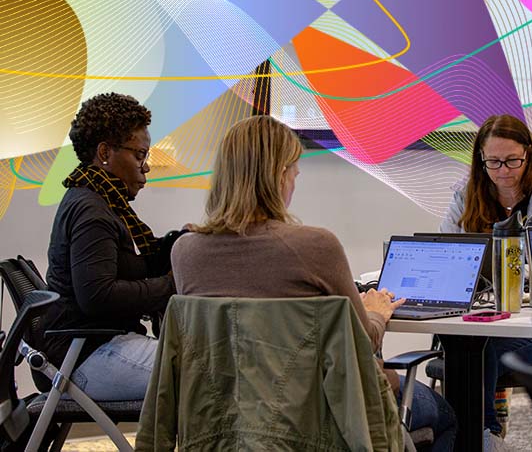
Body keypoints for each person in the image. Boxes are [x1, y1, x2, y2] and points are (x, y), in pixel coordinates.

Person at [171, 115, 457, 452]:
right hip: (319, 421)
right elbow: (361, 342)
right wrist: (376, 312)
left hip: (223, 426)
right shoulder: (317, 247)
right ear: (279, 177)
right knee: (447, 415)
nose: (294, 182)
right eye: (294, 173)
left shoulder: (185, 252)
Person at [439, 114, 532, 442]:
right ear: (480, 160)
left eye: (513, 161)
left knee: (477, 351)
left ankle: (483, 436)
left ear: (529, 155)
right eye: (494, 162)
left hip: (531, 328)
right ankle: (483, 436)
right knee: (472, 345)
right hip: (478, 321)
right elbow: (448, 255)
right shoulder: (464, 197)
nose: (503, 171)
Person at [41, 92, 176, 401]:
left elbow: (135, 264)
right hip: (85, 356)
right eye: (140, 155)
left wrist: (178, 243)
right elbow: (98, 296)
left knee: (207, 367)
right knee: (208, 372)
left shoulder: (101, 199)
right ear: (105, 152)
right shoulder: (92, 210)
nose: (145, 168)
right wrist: (170, 285)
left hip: (95, 346)